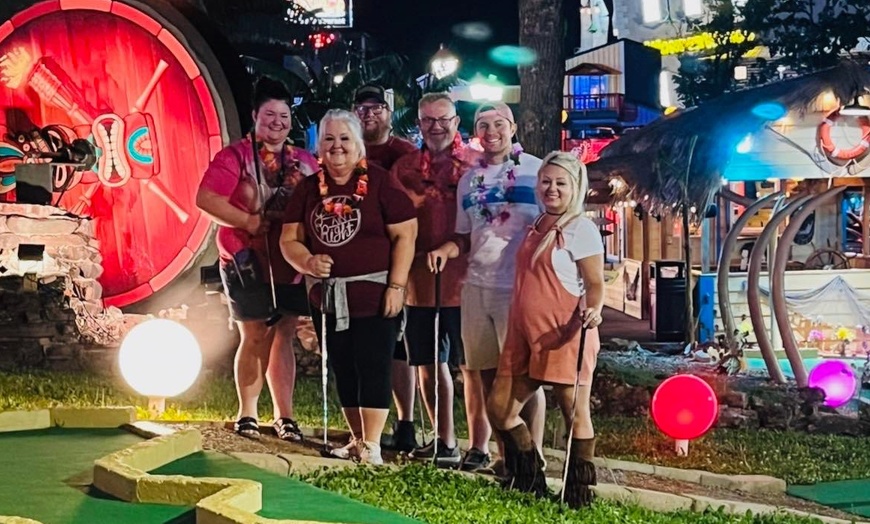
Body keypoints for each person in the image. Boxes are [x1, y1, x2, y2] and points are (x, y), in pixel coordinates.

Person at [280, 109, 417, 465]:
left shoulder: (382, 182)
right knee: (344, 364)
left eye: (345, 139)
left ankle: (372, 443)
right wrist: (307, 261)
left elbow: (406, 234)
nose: (337, 146)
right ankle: (357, 438)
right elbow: (289, 238)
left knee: (374, 363)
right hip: (328, 297)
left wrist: (397, 286)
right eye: (329, 139)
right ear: (319, 146)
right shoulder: (309, 188)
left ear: (358, 145)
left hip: (375, 293)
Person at [196, 76, 319, 441]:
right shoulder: (233, 156)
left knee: (284, 332)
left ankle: (285, 416)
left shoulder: (304, 160)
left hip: (289, 261)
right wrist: (249, 220)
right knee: (254, 332)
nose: (277, 122)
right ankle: (247, 412)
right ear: (255, 116)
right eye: (270, 114)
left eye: (284, 115)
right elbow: (207, 199)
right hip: (245, 257)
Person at [428, 102, 546, 473]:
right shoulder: (469, 179)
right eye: (483, 124)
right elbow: (464, 236)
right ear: (475, 131)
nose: (491, 130)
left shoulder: (537, 170)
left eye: (498, 123)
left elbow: (553, 224)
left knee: (524, 378)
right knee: (486, 375)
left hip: (519, 288)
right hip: (476, 287)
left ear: (512, 127)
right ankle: (505, 455)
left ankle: (534, 457)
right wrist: (446, 249)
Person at [486, 151, 604, 505]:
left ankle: (577, 495)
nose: (552, 188)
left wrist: (593, 308)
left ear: (575, 187)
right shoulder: (537, 224)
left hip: (564, 333)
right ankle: (529, 477)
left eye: (561, 183)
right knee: (500, 408)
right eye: (547, 181)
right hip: (525, 334)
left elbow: (595, 282)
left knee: (574, 413)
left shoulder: (580, 229)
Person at [391, 93, 476, 468]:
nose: (436, 127)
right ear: (420, 124)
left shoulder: (475, 165)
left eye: (444, 119)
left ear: (457, 122)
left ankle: (482, 445)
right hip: (419, 283)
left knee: (472, 368)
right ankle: (446, 440)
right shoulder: (405, 168)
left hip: (467, 282)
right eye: (428, 120)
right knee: (427, 363)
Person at [352, 83, 419, 452]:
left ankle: (406, 421)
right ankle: (362, 424)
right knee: (366, 345)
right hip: (360, 261)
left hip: (398, 260)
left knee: (400, 347)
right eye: (363, 108)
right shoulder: (348, 152)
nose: (369, 114)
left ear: (388, 113)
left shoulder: (403, 153)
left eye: (376, 107)